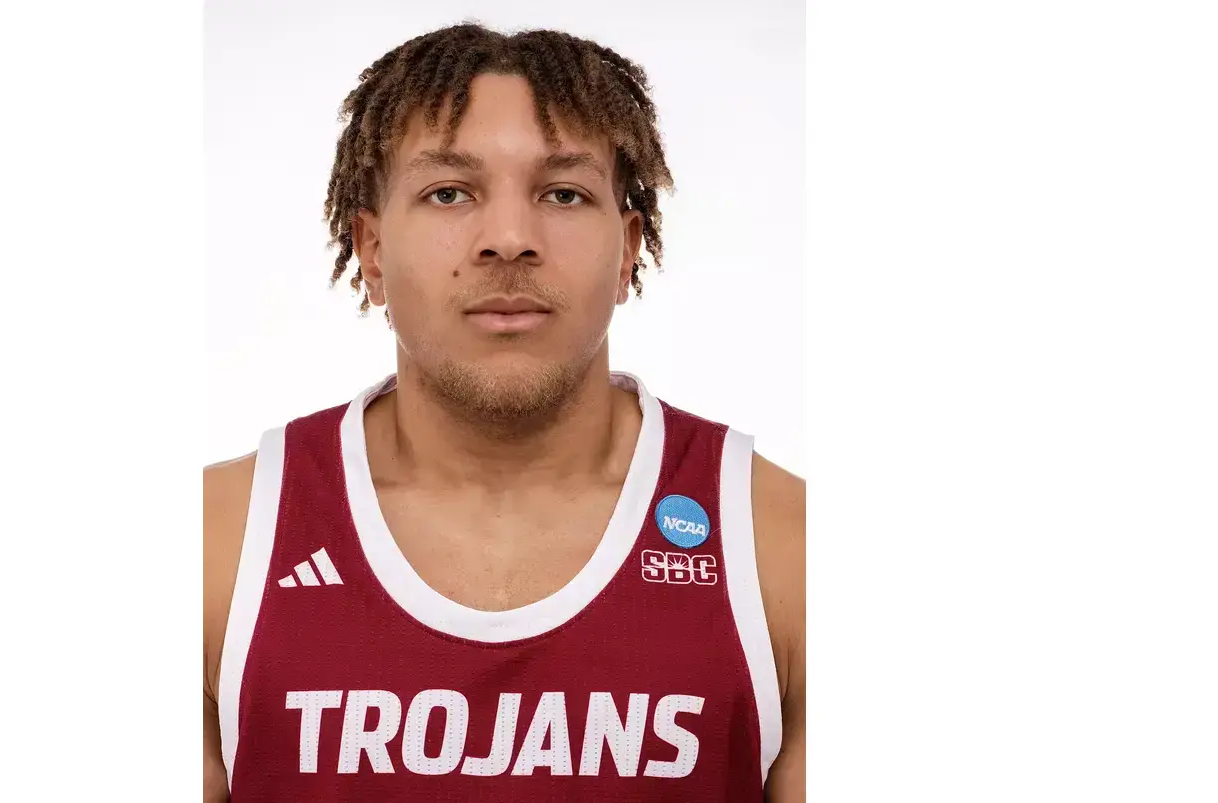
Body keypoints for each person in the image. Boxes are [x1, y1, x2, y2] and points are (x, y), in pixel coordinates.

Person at [203, 22, 804, 802]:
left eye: (563, 193)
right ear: (372, 250)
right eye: (449, 192)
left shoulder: (783, 549)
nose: (510, 239)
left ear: (627, 250)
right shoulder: (216, 545)